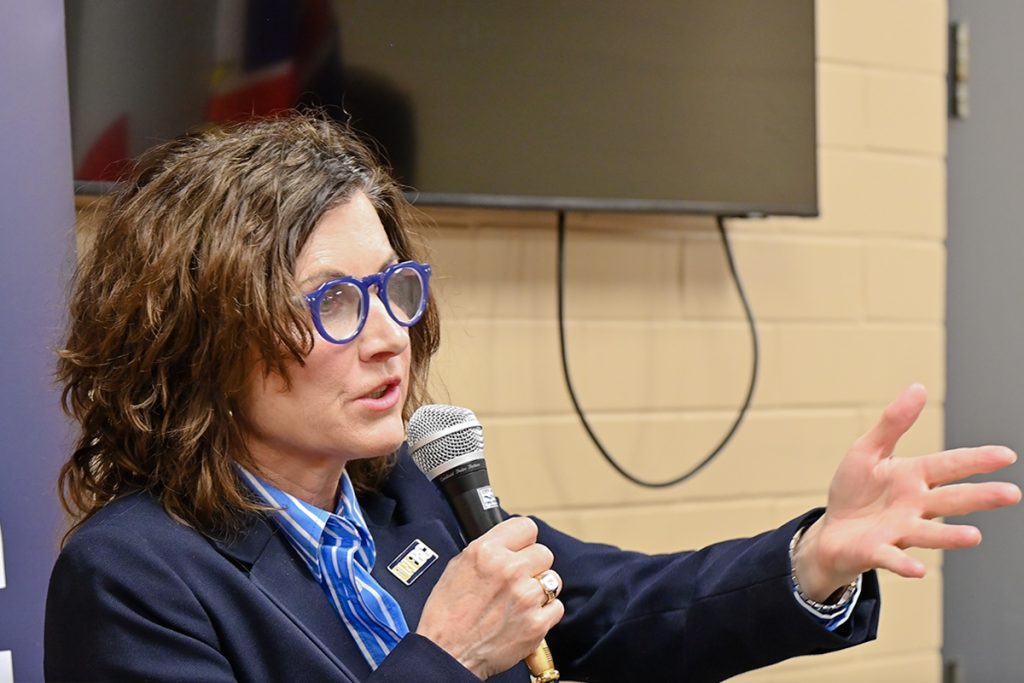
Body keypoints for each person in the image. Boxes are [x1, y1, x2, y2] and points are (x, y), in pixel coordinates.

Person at [44, 113, 1020, 683]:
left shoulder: (413, 495)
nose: (390, 331)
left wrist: (815, 555)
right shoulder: (137, 571)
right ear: (206, 337)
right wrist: (446, 654)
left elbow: (626, 605)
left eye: (395, 288)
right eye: (336, 302)